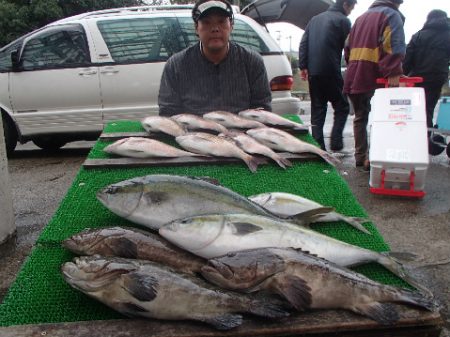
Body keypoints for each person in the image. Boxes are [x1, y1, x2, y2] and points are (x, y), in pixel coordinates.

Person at [158, 0, 272, 116]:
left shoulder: (252, 62)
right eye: (207, 22)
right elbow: (168, 112)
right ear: (196, 28)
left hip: (242, 132)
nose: (215, 29)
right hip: (192, 132)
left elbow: (262, 109)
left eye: (221, 21)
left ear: (231, 26)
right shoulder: (175, 65)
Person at [344, 0, 406, 170]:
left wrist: (353, 66)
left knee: (360, 117)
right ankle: (374, 158)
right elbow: (392, 44)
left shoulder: (360, 18)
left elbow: (347, 47)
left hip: (354, 75)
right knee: (381, 119)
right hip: (374, 77)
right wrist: (393, 70)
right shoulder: (391, 15)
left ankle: (360, 156)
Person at [299, 0, 357, 151]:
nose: (351, 11)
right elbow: (349, 46)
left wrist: (303, 66)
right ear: (345, 4)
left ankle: (318, 147)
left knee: (318, 108)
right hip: (331, 70)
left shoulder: (315, 19)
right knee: (342, 106)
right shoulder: (343, 21)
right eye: (351, 7)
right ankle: (336, 142)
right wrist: (350, 63)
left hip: (314, 72)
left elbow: (303, 43)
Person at [403, 10, 450, 132]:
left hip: (417, 79)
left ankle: (420, 134)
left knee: (417, 108)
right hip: (437, 78)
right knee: (429, 107)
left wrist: (403, 75)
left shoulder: (418, 35)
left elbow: (407, 60)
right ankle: (427, 136)